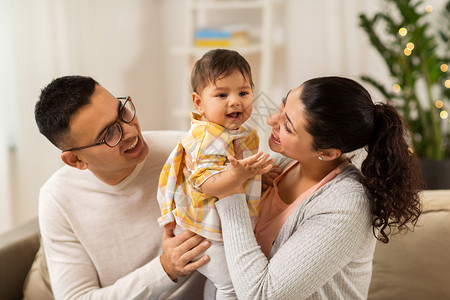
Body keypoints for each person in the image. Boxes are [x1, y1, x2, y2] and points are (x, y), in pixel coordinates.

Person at [213, 76, 424, 299]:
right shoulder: (279, 164)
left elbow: (261, 295)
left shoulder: (346, 205)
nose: (270, 120)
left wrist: (231, 193)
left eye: (287, 126)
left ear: (327, 153)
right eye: (283, 104)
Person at [33, 75, 211, 299]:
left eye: (122, 112)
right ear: (76, 161)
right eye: (109, 134)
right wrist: (165, 269)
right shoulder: (57, 198)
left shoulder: (185, 150)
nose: (131, 132)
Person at [157, 49, 273, 300]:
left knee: (223, 280)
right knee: (232, 283)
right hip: (199, 228)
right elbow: (208, 185)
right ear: (199, 102)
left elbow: (240, 172)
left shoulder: (239, 131)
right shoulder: (207, 137)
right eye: (222, 94)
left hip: (217, 225)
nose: (235, 101)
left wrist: (258, 175)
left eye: (243, 92)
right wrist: (239, 175)